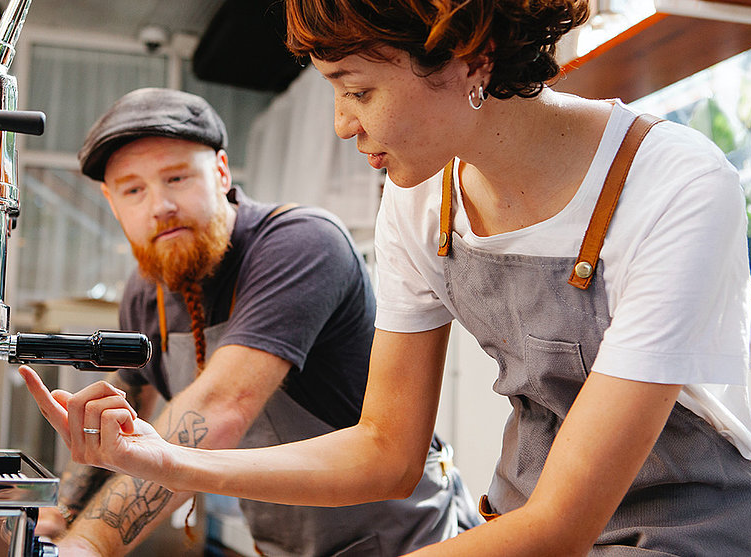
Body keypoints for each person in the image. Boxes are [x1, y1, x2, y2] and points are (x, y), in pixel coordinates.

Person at [21, 2, 751, 554]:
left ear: (468, 55)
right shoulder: (421, 199)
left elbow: (561, 523)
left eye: (358, 90)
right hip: (510, 528)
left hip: (675, 537)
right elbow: (384, 449)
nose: (344, 125)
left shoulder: (672, 181)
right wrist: (163, 459)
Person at [31, 87, 481, 556]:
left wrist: (88, 547)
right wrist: (62, 518)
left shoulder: (299, 243)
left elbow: (222, 406)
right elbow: (122, 407)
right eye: (133, 190)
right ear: (111, 201)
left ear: (222, 171)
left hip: (408, 540)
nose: (159, 205)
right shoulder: (147, 294)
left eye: (177, 178)